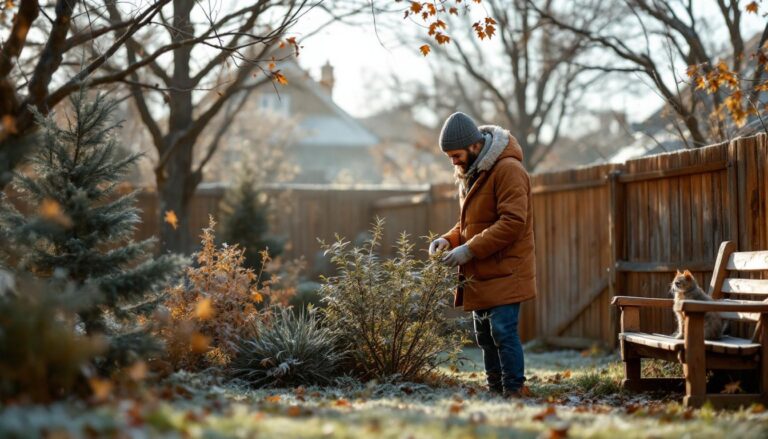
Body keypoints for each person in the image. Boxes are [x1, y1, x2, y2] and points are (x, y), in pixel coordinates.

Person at [428, 112, 536, 398]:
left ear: (474, 146)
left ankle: (513, 392)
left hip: (505, 270)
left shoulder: (508, 170)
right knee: (485, 338)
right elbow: (468, 224)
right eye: (449, 156)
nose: (453, 161)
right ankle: (494, 391)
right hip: (480, 272)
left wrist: (469, 249)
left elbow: (513, 222)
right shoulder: (472, 173)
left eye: (456, 154)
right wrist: (448, 240)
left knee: (503, 332)